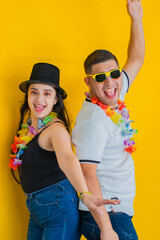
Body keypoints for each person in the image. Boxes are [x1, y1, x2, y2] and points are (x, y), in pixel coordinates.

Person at [9, 62, 120, 240]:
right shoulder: (30, 126)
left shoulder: (56, 130)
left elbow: (68, 158)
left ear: (55, 100)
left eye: (47, 93)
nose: (39, 99)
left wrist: (85, 194)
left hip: (58, 209)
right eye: (34, 92)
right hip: (37, 209)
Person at [72, 0, 145, 239]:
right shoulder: (94, 120)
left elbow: (135, 59)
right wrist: (106, 228)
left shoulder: (113, 93)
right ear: (89, 82)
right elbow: (87, 173)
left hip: (118, 211)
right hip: (107, 215)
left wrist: (136, 19)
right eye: (101, 77)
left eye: (114, 73)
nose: (110, 81)